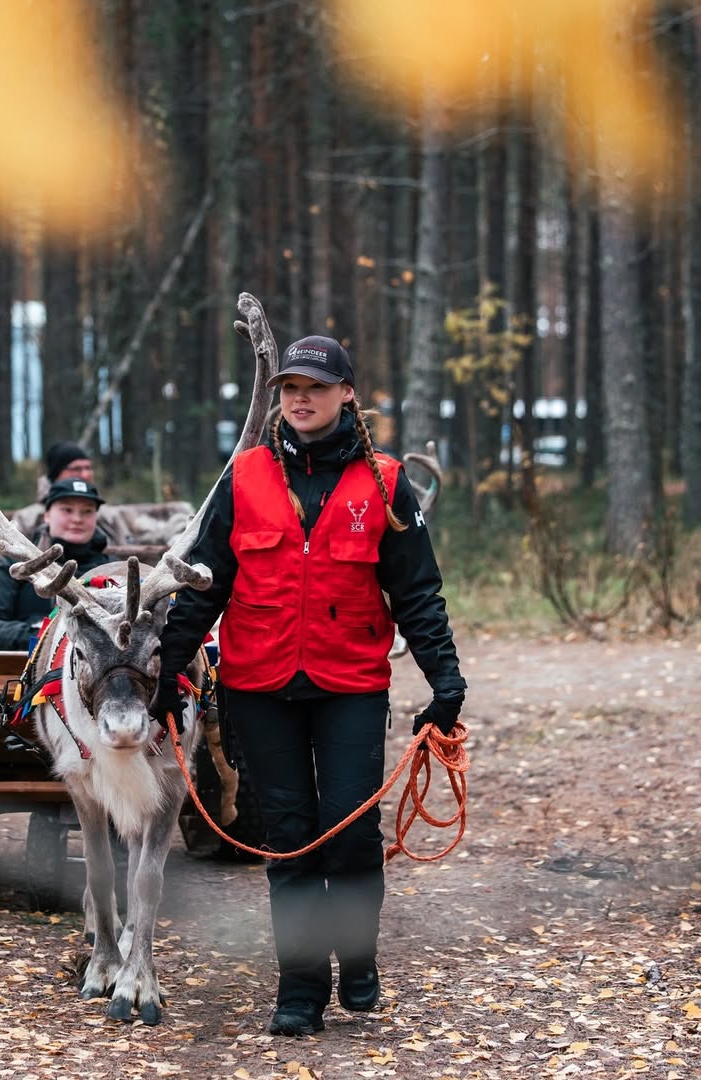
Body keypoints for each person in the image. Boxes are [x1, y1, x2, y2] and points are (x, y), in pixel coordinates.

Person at [149, 334, 466, 1036]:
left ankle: (357, 957)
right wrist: (168, 671)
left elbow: (417, 593)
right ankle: (299, 991)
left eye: (316, 387)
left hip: (350, 685)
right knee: (287, 840)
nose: (300, 398)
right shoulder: (244, 477)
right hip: (259, 687)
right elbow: (203, 587)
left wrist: (446, 683)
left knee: (349, 834)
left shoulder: (386, 482)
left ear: (346, 394)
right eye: (291, 387)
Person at [0, 478, 112, 650]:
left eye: (87, 511)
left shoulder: (113, 571)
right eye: (67, 510)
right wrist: (46, 636)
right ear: (47, 515)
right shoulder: (16, 566)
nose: (77, 519)